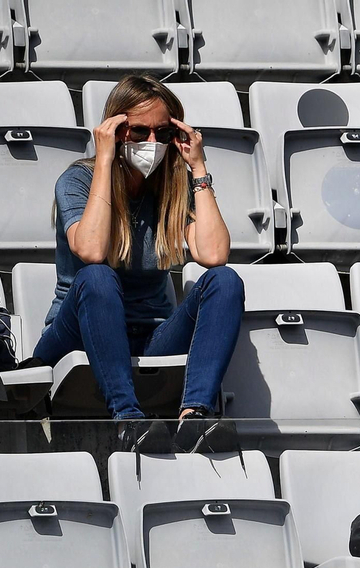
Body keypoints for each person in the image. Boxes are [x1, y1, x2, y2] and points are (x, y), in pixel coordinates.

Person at [37, 74, 242, 453]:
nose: (152, 143)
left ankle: (193, 416)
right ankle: (128, 419)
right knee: (97, 276)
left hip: (149, 336)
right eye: (140, 132)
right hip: (76, 333)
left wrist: (197, 168)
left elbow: (214, 255)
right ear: (116, 130)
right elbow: (92, 250)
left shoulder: (173, 185)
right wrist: (104, 159)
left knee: (225, 281)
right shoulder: (77, 180)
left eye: (162, 134)